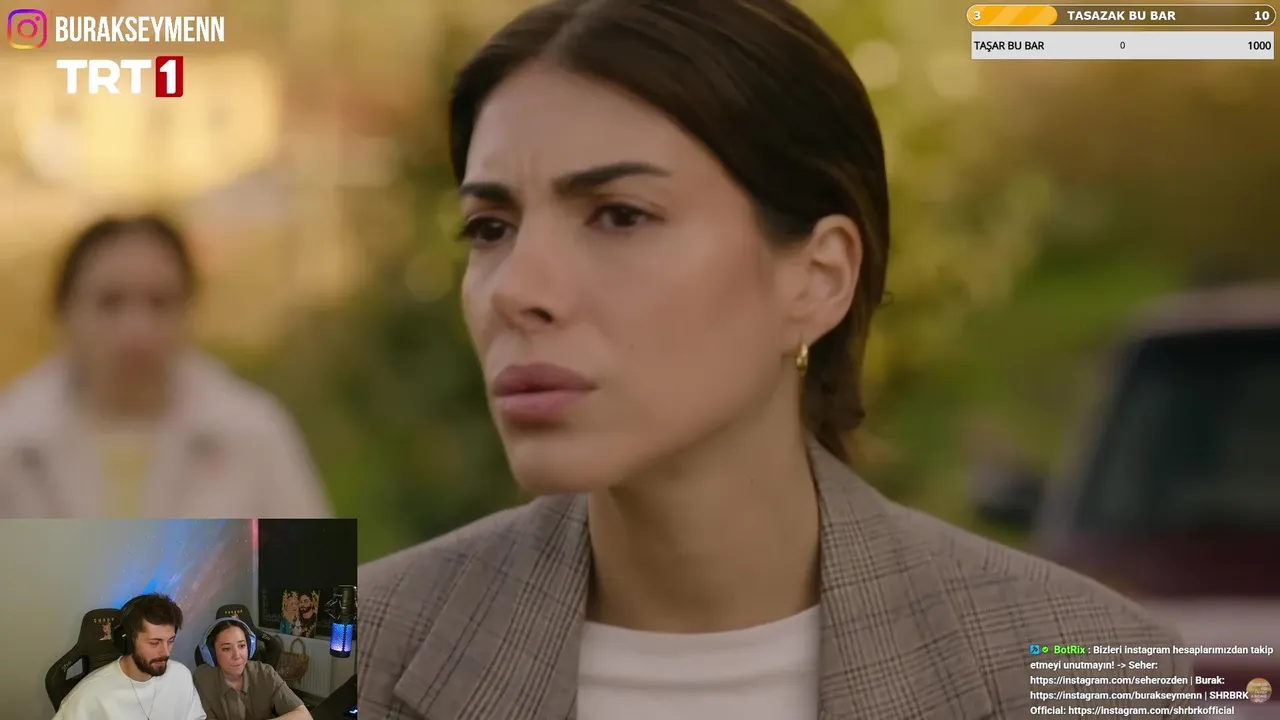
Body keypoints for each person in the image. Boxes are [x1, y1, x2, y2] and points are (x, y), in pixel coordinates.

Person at [358, 1, 1193, 718]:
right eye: (491, 229)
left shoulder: (1098, 666)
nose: (517, 289)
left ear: (817, 278)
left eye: (620, 215)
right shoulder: (311, 639)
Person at [0, 214, 332, 518]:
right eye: (110, 303)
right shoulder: (12, 442)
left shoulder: (253, 434)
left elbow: (309, 565)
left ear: (189, 312)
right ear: (64, 311)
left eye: (159, 304)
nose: (136, 332)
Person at [54, 593, 205, 720]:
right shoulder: (88, 696)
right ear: (127, 641)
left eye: (170, 641)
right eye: (154, 643)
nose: (165, 652)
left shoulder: (181, 676)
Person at [193, 618, 311, 719]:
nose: (237, 656)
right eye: (226, 649)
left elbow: (304, 715)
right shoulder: (202, 679)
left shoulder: (265, 673)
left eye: (242, 646)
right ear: (212, 653)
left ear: (250, 647)